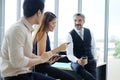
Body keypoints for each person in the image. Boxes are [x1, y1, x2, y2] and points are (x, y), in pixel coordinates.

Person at [0, 0, 67, 80]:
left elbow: (27, 54)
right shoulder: (18, 30)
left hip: (25, 73)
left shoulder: (26, 29)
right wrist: (41, 59)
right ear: (39, 12)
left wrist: (43, 59)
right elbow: (17, 61)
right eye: (43, 12)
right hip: (16, 77)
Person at [33, 11, 76, 80]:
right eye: (53, 23)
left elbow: (42, 57)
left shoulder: (44, 34)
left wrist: (51, 59)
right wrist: (59, 48)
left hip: (44, 66)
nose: (55, 25)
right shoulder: (42, 33)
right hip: (42, 68)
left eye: (55, 23)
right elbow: (41, 56)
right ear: (46, 22)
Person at [66, 13, 96, 80]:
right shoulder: (70, 35)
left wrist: (94, 58)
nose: (77, 22)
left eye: (80, 20)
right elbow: (69, 54)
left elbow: (93, 47)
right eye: (75, 20)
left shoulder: (89, 31)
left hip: (90, 61)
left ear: (84, 21)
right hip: (77, 62)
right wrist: (77, 60)